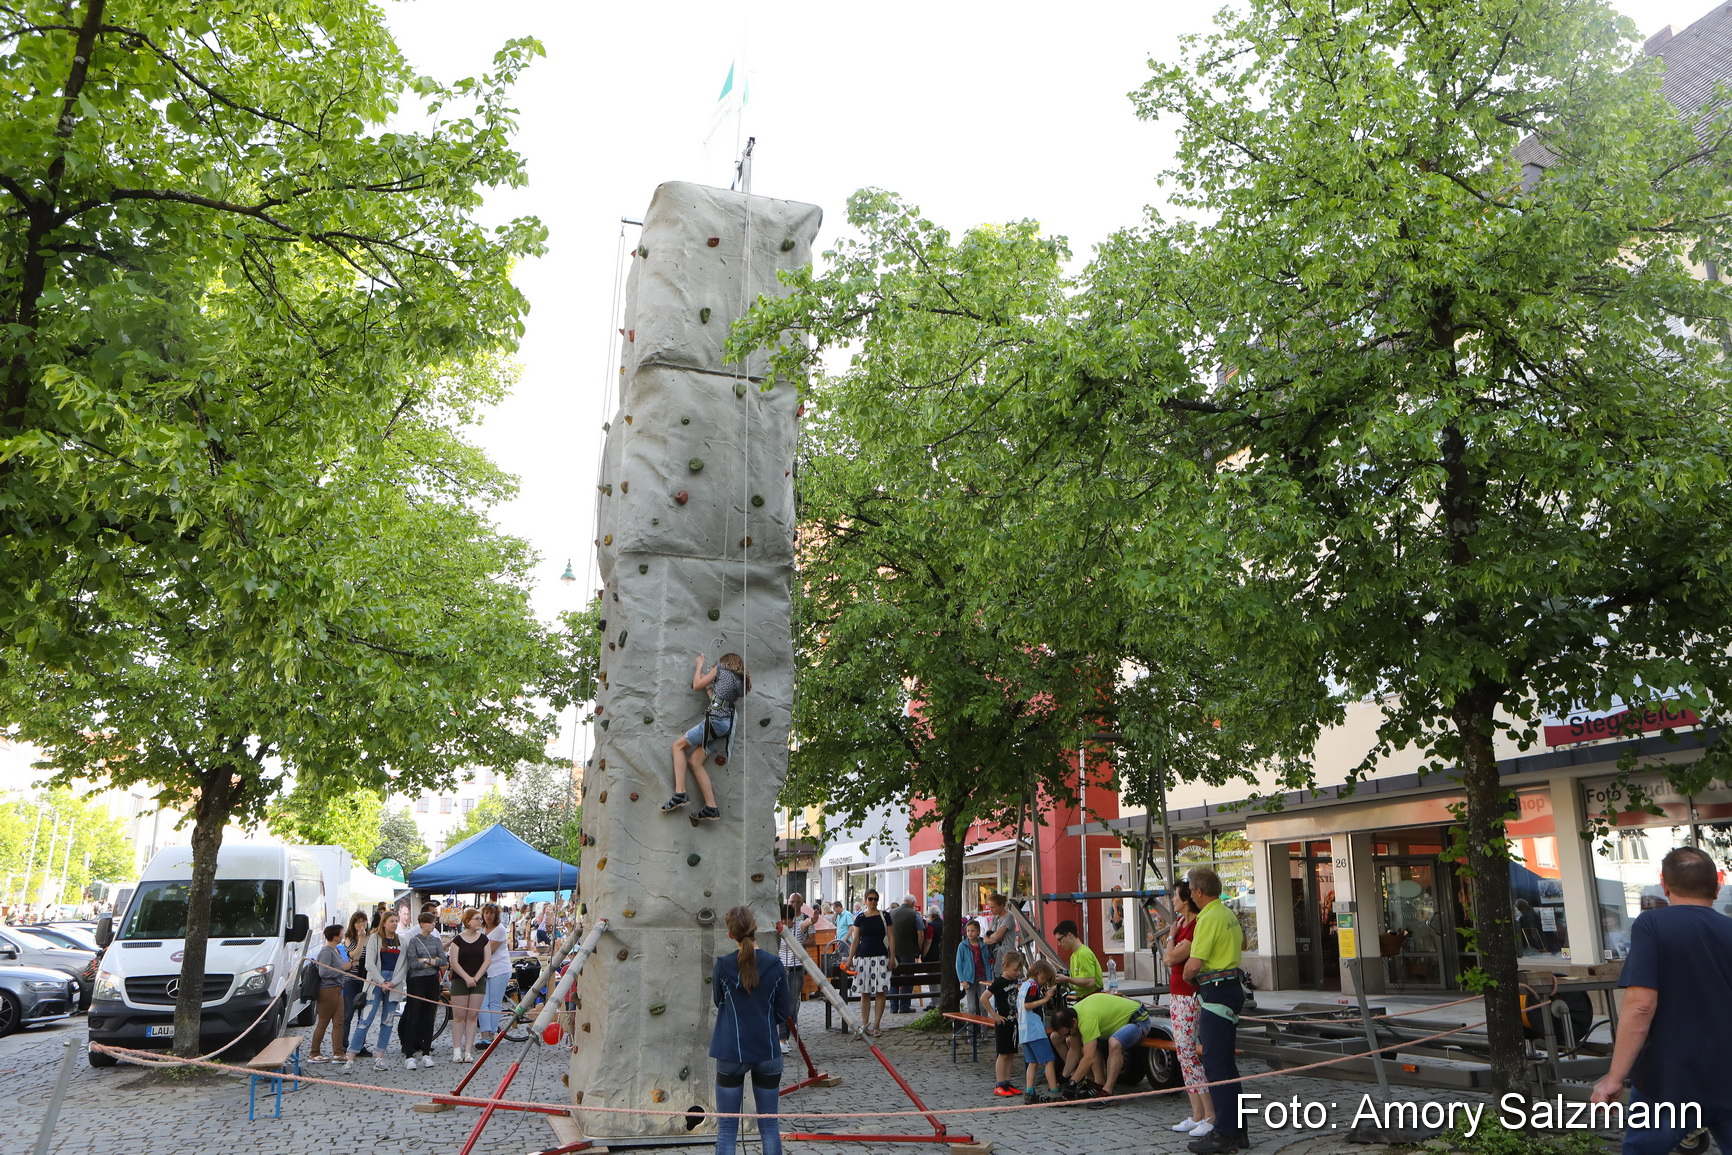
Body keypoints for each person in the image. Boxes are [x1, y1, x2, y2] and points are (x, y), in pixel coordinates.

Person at [1590, 846, 1732, 1155]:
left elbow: (1641, 1005)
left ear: (1664, 885)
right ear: (1717, 886)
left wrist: (1615, 1077)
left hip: (1668, 1079)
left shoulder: (1653, 925)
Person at [710, 906, 793, 1155]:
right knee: (769, 1127)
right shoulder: (775, 965)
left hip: (730, 1050)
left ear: (730, 935)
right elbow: (784, 1011)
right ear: (755, 929)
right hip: (767, 1049)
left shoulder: (723, 966)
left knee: (726, 1130)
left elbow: (718, 1001)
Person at [1185, 865, 1247, 1154]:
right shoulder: (1226, 912)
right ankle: (1237, 1131)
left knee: (1216, 1065)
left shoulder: (1208, 917)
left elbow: (1195, 963)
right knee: (1226, 1065)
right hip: (1229, 986)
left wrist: (1186, 974)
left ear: (1198, 891)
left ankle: (1224, 1133)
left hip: (1216, 990)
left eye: (1190, 890)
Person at [662, 651, 751, 821]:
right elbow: (716, 700)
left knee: (677, 746)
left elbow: (696, 685)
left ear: (724, 662)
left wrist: (699, 667)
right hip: (726, 726)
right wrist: (709, 685)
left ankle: (680, 792)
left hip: (716, 722)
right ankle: (711, 806)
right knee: (695, 762)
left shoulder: (720, 669)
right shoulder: (738, 680)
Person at [1164, 881, 1216, 1139]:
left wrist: (1171, 937)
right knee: (1183, 1055)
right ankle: (1197, 1114)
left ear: (1185, 899)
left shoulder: (1192, 927)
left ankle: (1209, 1114)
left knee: (1188, 1052)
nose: (1172, 899)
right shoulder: (1183, 924)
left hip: (1188, 995)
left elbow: (1170, 958)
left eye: (1174, 895)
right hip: (1177, 996)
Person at [344, 910, 405, 1072]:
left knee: (388, 1021)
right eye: (391, 920)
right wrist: (382, 982)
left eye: (396, 921)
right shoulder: (374, 939)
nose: (394, 923)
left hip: (394, 984)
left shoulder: (402, 941)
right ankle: (350, 1058)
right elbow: (369, 964)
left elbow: (403, 965)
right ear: (384, 923)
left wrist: (392, 982)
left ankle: (379, 1057)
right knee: (365, 1020)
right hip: (375, 982)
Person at [397, 911, 445, 1069]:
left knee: (429, 1016)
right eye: (431, 922)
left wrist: (426, 960)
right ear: (422, 924)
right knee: (414, 1015)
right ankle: (409, 1053)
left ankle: (426, 1052)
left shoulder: (436, 940)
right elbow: (413, 963)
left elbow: (443, 960)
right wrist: (431, 961)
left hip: (432, 979)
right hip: (417, 980)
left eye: (434, 922)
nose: (433, 924)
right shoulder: (414, 941)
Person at [842, 889, 891, 1036]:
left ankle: (876, 1025)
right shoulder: (860, 918)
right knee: (865, 992)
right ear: (865, 900)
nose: (873, 902)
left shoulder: (885, 916)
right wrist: (850, 959)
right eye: (870, 899)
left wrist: (893, 956)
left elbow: (891, 937)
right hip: (863, 957)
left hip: (881, 956)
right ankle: (865, 1025)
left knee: (881, 991)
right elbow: (856, 940)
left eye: (876, 899)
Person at [447, 907, 492, 1063]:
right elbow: (454, 962)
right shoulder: (458, 940)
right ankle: (457, 1051)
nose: (480, 922)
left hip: (478, 980)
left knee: (472, 1016)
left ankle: (468, 1051)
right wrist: (466, 977)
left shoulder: (484, 939)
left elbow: (487, 960)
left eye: (481, 919)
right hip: (460, 980)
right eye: (477, 919)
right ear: (467, 921)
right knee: (459, 1016)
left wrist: (477, 977)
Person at [1019, 958, 1062, 1103]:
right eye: (1045, 979)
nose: (1044, 982)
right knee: (1049, 1060)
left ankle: (1029, 1092)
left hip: (1024, 1031)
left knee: (1032, 1062)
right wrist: (1044, 999)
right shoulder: (1032, 986)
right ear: (1040, 973)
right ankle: (1054, 1091)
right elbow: (1027, 1005)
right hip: (1035, 1030)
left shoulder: (1023, 985)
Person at [987, 949, 1025, 1098]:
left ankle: (1007, 1082)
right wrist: (994, 1015)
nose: (1018, 973)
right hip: (1002, 1023)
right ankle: (999, 1083)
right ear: (1005, 966)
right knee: (1003, 1054)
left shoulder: (1014, 981)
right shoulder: (999, 982)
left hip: (1012, 1022)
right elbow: (984, 998)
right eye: (1015, 969)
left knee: (1010, 1053)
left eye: (1020, 970)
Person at [307, 925, 346, 1063]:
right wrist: (341, 969)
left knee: (339, 1022)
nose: (343, 935)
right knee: (323, 1022)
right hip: (327, 990)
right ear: (335, 936)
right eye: (341, 933)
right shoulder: (326, 951)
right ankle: (314, 1053)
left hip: (337, 989)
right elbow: (323, 972)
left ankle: (338, 1053)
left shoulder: (336, 950)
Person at [478, 903, 512, 1047]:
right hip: (484, 969)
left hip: (499, 968)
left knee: (494, 1002)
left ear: (496, 915)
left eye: (491, 913)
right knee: (482, 1002)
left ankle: (491, 1034)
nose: (489, 916)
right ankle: (485, 1033)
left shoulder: (500, 930)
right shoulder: (481, 929)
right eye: (486, 913)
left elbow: (488, 951)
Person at [339, 910, 371, 1050]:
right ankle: (343, 1044)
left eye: (363, 921)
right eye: (358, 922)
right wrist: (360, 939)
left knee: (363, 1014)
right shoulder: (349, 938)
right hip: (351, 979)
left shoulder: (371, 937)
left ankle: (359, 1045)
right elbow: (355, 956)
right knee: (348, 1013)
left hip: (366, 978)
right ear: (353, 924)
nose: (361, 924)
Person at [888, 895, 924, 1014]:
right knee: (907, 978)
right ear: (913, 903)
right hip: (908, 951)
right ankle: (904, 1006)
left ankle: (893, 1006)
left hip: (893, 951)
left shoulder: (891, 913)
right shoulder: (914, 915)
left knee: (894, 977)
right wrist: (918, 949)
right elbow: (920, 934)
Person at [1052, 919, 1102, 997]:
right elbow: (1076, 982)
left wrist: (1066, 979)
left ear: (1069, 935)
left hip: (1092, 998)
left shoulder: (1083, 954)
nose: (1059, 944)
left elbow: (1090, 982)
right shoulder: (1074, 955)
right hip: (1084, 997)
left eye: (1059, 939)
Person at [954, 918, 990, 1016]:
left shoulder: (983, 945)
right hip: (969, 979)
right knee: (971, 1007)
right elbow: (958, 964)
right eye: (968, 931)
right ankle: (970, 1030)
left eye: (973, 931)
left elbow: (987, 963)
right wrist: (962, 980)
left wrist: (989, 979)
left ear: (978, 932)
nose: (970, 933)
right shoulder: (962, 946)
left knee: (983, 1005)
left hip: (981, 978)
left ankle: (984, 1029)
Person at [982, 892, 1018, 969]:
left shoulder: (1008, 916)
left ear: (1001, 905)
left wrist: (993, 937)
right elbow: (986, 937)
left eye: (993, 907)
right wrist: (995, 939)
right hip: (996, 954)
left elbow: (997, 935)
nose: (991, 910)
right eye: (990, 907)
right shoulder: (995, 918)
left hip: (1007, 954)